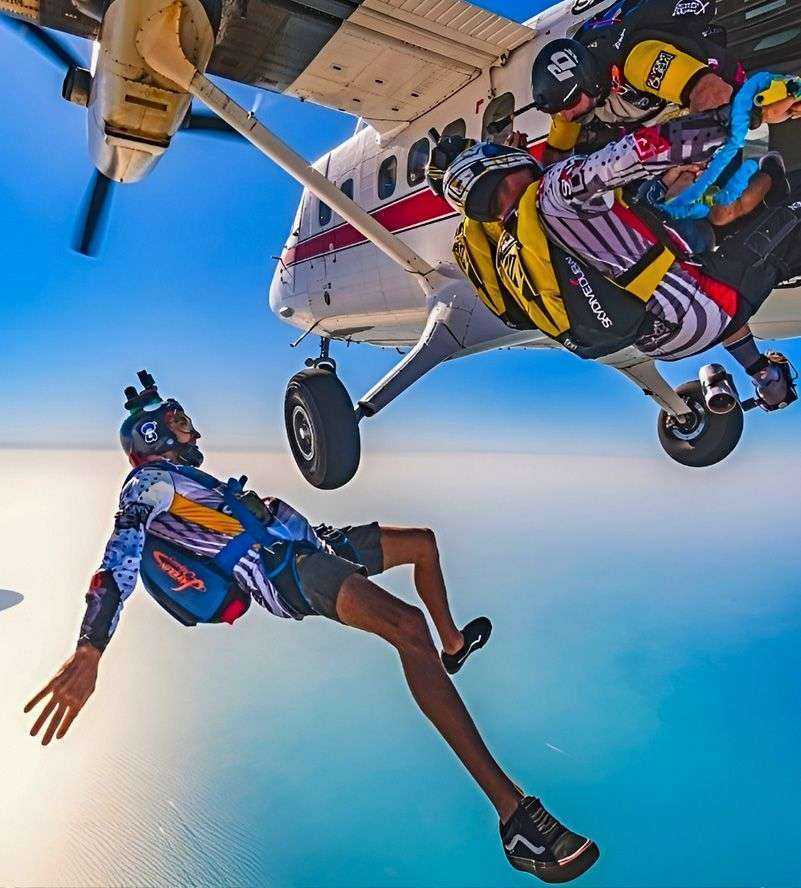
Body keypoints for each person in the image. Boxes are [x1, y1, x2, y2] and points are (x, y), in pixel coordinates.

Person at [24, 371, 600, 884]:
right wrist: (89, 650)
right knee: (406, 626)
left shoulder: (183, 482)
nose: (191, 427)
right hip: (291, 572)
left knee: (422, 546)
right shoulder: (147, 487)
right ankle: (515, 819)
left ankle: (452, 648)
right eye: (178, 420)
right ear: (152, 436)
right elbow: (118, 560)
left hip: (315, 546)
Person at [441, 100, 801, 408]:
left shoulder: (517, 239)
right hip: (701, 308)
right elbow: (639, 152)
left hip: (659, 336)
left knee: (699, 280)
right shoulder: (554, 192)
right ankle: (775, 180)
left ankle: (765, 376)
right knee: (788, 211)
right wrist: (747, 114)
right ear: (499, 164)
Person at [529, 0, 778, 164]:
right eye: (555, 109)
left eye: (570, 103)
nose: (565, 114)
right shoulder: (566, 101)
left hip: (723, 84)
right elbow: (555, 156)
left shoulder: (639, 62)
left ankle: (769, 174)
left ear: (587, 80)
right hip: (663, 114)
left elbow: (712, 93)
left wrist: (691, 161)